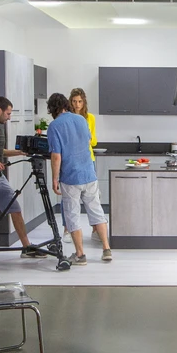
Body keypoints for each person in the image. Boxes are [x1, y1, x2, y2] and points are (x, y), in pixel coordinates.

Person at [46, 92, 112, 265]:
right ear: (67, 104)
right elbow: (88, 141)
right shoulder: (82, 120)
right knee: (96, 210)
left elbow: (56, 156)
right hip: (89, 173)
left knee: (72, 215)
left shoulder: (54, 126)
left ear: (52, 109)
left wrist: (54, 179)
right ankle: (106, 249)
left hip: (70, 177)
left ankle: (80, 255)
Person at [0, 97, 48, 260]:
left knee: (15, 208)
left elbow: (0, 151)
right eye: (8, 113)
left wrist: (19, 152)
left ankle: (26, 247)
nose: (9, 117)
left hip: (0, 177)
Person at [64, 87, 102, 246]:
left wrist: (87, 140)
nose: (77, 104)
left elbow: (94, 141)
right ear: (70, 102)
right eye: (74, 101)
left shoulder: (90, 118)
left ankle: (96, 230)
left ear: (84, 102)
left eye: (80, 101)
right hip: (71, 160)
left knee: (93, 197)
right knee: (69, 197)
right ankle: (67, 229)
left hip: (88, 159)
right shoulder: (66, 118)